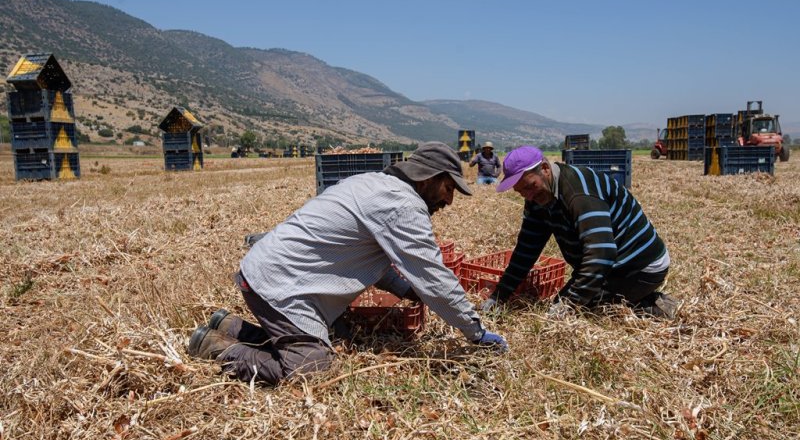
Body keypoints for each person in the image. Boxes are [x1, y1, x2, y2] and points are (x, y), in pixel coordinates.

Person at [188, 141, 509, 384]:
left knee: (311, 343)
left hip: (264, 272)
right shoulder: (404, 206)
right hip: (278, 285)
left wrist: (403, 289)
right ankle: (216, 348)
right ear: (427, 179)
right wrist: (475, 332)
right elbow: (433, 277)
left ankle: (228, 326)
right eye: (448, 187)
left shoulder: (373, 184)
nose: (449, 199)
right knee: (312, 367)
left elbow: (370, 259)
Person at [483, 146, 679, 318]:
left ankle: (654, 306)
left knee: (584, 311)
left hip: (639, 266)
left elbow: (602, 253)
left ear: (545, 169)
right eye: (521, 192)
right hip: (611, 266)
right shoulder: (538, 199)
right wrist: (499, 296)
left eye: (530, 186)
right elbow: (526, 250)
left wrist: (570, 305)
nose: (528, 196)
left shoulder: (578, 193)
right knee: (565, 302)